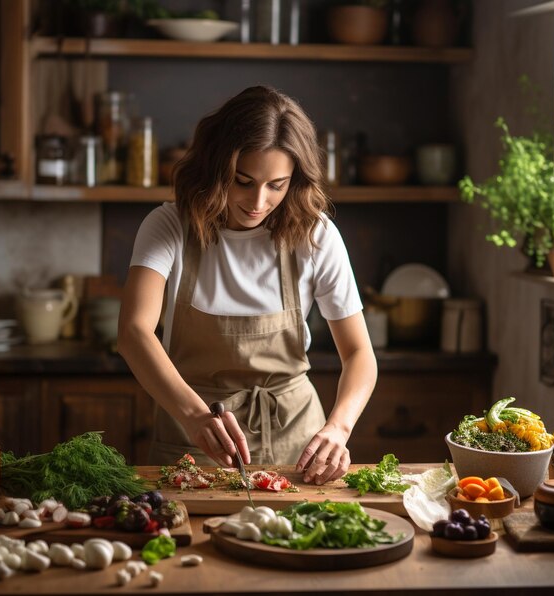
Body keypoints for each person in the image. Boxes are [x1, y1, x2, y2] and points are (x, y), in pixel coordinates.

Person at [118, 85, 377, 485]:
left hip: (299, 446)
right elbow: (134, 332)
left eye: (276, 184)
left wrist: (339, 428)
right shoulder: (169, 226)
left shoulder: (315, 234)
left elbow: (360, 352)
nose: (258, 200)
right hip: (193, 444)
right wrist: (193, 415)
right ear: (217, 167)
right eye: (243, 180)